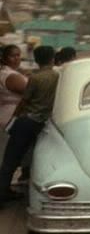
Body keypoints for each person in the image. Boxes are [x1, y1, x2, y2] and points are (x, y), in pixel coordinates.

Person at [0, 46, 59, 205]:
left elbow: (25, 100)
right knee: (18, 159)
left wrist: (15, 118)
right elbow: (25, 99)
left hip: (24, 120)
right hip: (32, 120)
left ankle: (4, 192)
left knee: (11, 159)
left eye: (19, 55)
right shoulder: (56, 76)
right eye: (14, 55)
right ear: (52, 59)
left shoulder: (34, 77)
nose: (17, 58)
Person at [0, 45, 28, 132]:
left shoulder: (8, 72)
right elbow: (32, 93)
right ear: (4, 58)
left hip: (8, 114)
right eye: (12, 56)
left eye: (18, 55)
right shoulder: (11, 76)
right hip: (11, 116)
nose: (16, 58)